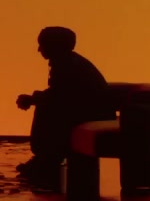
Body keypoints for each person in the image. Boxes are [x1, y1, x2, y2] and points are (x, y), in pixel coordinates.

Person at [15, 27, 116, 189]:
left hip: (92, 114)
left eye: (43, 44)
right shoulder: (67, 63)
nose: (39, 49)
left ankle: (47, 158)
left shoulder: (67, 65)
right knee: (46, 107)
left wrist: (33, 99)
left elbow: (62, 97)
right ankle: (45, 157)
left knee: (47, 110)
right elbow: (60, 94)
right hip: (88, 111)